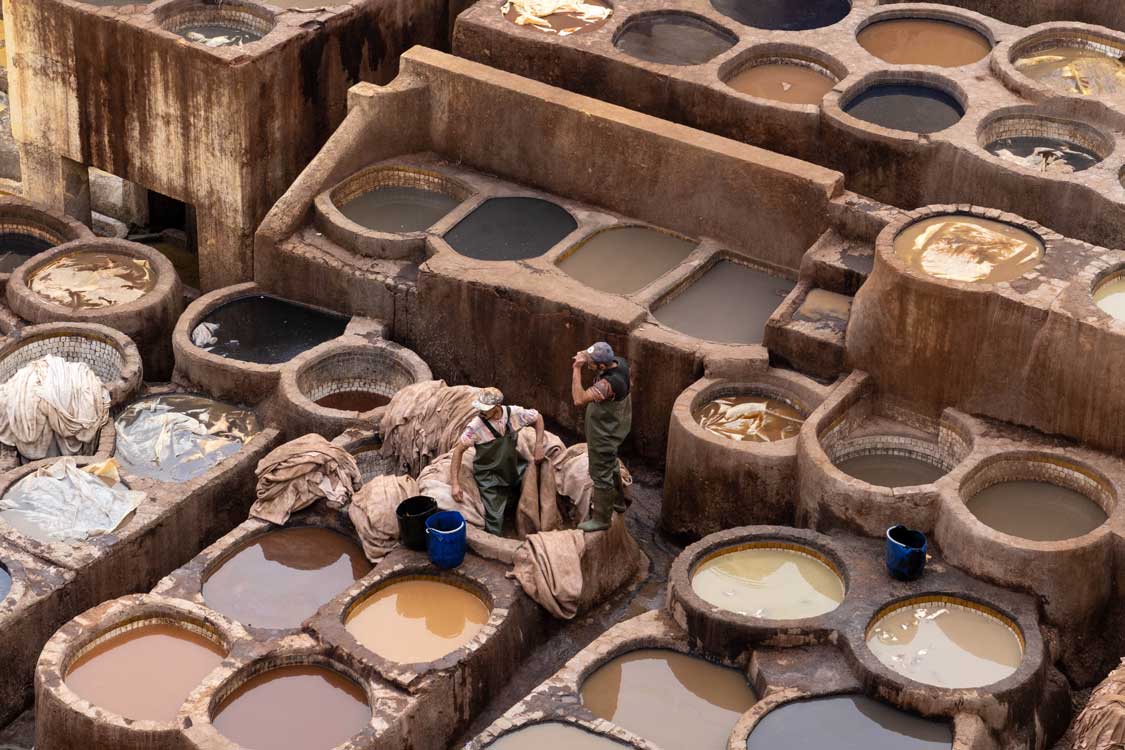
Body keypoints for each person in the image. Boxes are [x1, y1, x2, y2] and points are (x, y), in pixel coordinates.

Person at [450, 387, 545, 535]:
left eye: (485, 409)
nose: (481, 412)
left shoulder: (513, 413)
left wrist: (539, 445)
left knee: (535, 480)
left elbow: (538, 418)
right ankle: (496, 540)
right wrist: (455, 484)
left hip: (512, 468)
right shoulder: (475, 427)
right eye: (480, 408)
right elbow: (458, 451)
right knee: (494, 520)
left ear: (497, 407)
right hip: (490, 477)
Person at [571, 341, 631, 532]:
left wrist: (577, 368)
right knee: (611, 463)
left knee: (600, 474)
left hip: (604, 434)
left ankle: (601, 519)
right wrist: (587, 355)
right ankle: (619, 502)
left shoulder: (609, 384)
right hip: (616, 425)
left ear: (602, 366)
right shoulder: (620, 362)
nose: (589, 366)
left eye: (592, 364)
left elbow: (578, 399)